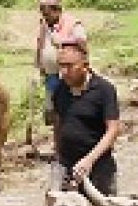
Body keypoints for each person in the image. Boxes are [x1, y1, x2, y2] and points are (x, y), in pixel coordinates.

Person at [48, 40, 120, 197]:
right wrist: (57, 154)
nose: (64, 72)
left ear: (85, 66)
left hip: (99, 168)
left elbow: (113, 130)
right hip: (67, 166)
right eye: (61, 66)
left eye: (69, 66)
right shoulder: (60, 90)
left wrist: (89, 160)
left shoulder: (104, 90)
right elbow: (59, 122)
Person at [35, 0, 87, 101]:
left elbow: (83, 44)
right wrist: (39, 65)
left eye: (47, 13)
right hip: (51, 75)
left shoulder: (72, 23)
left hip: (69, 75)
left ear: (56, 10)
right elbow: (40, 44)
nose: (45, 16)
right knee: (51, 107)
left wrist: (63, 41)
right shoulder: (45, 23)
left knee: (68, 105)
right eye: (42, 12)